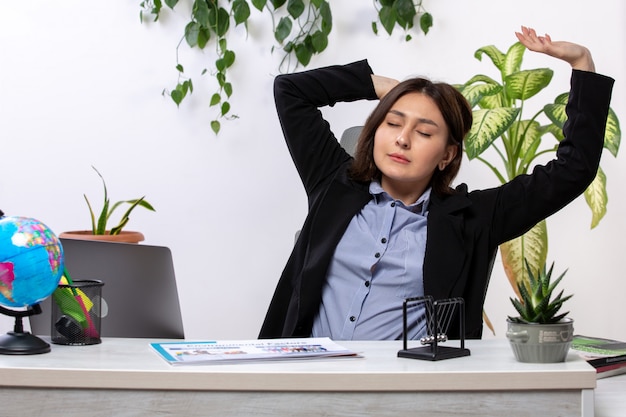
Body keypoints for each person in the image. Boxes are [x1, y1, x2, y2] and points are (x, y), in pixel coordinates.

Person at [259, 27, 614, 340]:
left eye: (424, 131)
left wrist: (582, 62)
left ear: (447, 155)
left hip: (410, 394)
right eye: (393, 123)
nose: (403, 139)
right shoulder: (333, 183)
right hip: (308, 379)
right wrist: (384, 87)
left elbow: (573, 170)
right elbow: (290, 91)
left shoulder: (474, 219)